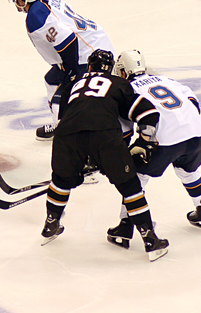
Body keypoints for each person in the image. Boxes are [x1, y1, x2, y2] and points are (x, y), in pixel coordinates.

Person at [42, 49, 169, 261]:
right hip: (105, 136)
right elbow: (149, 113)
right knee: (130, 187)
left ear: (89, 67)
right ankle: (150, 239)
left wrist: (82, 159)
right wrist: (144, 143)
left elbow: (68, 118)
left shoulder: (74, 84)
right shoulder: (118, 84)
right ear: (110, 69)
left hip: (66, 136)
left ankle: (51, 224)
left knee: (61, 181)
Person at [105, 49, 201, 247]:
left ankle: (125, 224)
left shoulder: (126, 90)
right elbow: (193, 101)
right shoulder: (166, 80)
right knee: (188, 171)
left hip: (164, 142)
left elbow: (124, 129)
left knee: (136, 178)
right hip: (198, 135)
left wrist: (116, 154)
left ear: (123, 72)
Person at [7, 0, 114, 141]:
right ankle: (63, 125)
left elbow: (68, 40)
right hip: (91, 41)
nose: (16, 2)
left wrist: (71, 70)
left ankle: (66, 132)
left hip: (89, 53)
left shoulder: (36, 17)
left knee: (64, 93)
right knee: (51, 81)